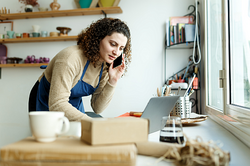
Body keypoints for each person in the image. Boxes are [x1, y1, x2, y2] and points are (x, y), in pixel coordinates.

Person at [28, 18, 132, 121]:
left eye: (121, 48)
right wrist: (91, 122)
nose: (117, 52)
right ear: (99, 38)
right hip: (46, 101)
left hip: (72, 104)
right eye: (113, 44)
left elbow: (97, 108)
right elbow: (57, 104)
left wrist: (113, 80)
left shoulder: (105, 67)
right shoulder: (70, 58)